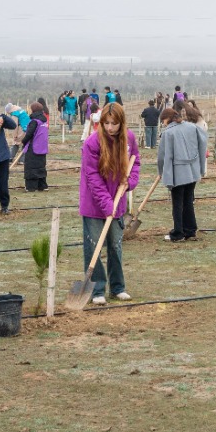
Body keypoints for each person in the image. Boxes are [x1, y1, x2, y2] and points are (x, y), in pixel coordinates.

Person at [79, 102, 140, 303]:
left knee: (115, 245)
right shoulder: (92, 143)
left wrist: (131, 182)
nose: (110, 128)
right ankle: (97, 291)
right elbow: (93, 177)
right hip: (94, 204)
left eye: (114, 124)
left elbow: (135, 161)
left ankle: (117, 287)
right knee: (93, 245)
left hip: (118, 201)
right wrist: (107, 205)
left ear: (121, 123)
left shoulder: (129, 139)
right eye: (106, 123)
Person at [158, 106, 205, 241]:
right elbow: (202, 144)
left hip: (178, 173)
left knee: (177, 203)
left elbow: (163, 156)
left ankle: (178, 233)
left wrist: (162, 172)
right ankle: (190, 230)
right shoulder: (192, 127)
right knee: (188, 201)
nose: (163, 124)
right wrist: (200, 166)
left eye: (163, 121)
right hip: (193, 171)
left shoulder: (168, 133)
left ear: (167, 119)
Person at [21, 101, 51, 191]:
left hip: (33, 147)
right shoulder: (44, 121)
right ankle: (42, 186)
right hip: (43, 148)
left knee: (31, 167)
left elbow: (29, 134)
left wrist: (23, 141)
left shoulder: (34, 121)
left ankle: (31, 187)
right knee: (41, 167)